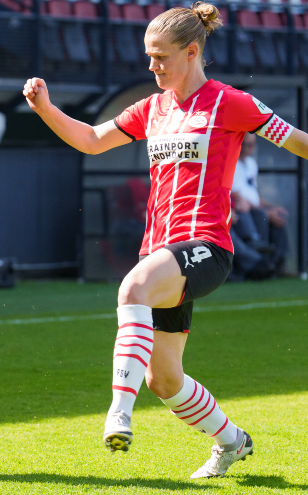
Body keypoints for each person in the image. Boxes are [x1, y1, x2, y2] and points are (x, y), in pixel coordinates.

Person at [23, 2, 308, 478]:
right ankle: (232, 441)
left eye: (161, 57)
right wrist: (45, 109)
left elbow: (300, 141)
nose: (152, 66)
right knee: (164, 378)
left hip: (207, 246)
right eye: (149, 57)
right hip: (160, 252)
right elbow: (91, 140)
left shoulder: (232, 102)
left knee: (132, 289)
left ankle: (118, 414)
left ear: (192, 52)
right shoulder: (151, 108)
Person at [230, 132, 289, 272]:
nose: (246, 148)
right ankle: (260, 263)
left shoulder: (251, 164)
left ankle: (277, 265)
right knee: (262, 216)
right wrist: (266, 212)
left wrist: (272, 208)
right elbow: (236, 195)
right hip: (241, 210)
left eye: (250, 145)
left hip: (252, 207)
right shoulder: (231, 163)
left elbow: (253, 195)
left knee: (279, 217)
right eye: (243, 144)